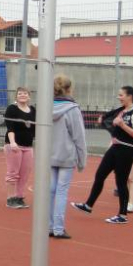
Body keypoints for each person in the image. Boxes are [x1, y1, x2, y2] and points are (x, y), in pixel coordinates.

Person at [72, 86, 133, 224]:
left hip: (127, 150)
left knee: (121, 182)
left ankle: (122, 215)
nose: (119, 97)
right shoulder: (121, 111)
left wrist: (122, 125)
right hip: (115, 148)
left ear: (129, 96)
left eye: (121, 95)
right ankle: (88, 205)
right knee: (100, 175)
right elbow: (113, 123)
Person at [49, 75, 87, 239]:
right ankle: (58, 228)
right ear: (70, 89)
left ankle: (50, 227)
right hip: (66, 155)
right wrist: (82, 159)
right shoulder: (72, 109)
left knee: (50, 191)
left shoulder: (45, 106)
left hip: (49, 155)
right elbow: (79, 136)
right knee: (61, 192)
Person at [3, 87, 36, 209]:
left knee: (25, 173)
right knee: (13, 172)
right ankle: (10, 198)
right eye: (20, 93)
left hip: (28, 146)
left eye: (25, 93)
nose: (22, 95)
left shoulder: (33, 110)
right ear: (16, 96)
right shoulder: (12, 109)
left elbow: (35, 129)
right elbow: (10, 127)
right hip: (14, 146)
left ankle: (19, 197)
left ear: (29, 96)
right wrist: (12, 143)